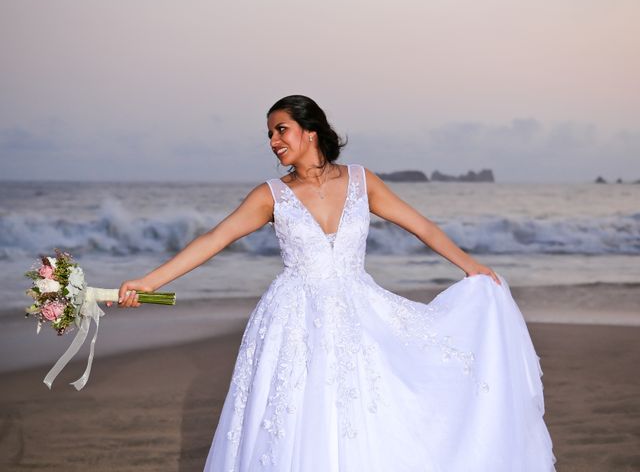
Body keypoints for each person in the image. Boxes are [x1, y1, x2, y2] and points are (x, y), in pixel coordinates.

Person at [113, 95, 555, 471]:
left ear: (310, 131)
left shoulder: (363, 181)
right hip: (292, 319)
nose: (273, 142)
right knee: (296, 416)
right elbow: (213, 239)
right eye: (269, 134)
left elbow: (421, 227)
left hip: (357, 308)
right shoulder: (270, 194)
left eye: (280, 130)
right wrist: (147, 282)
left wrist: (470, 266)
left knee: (368, 407)